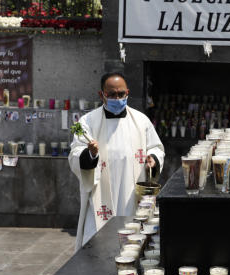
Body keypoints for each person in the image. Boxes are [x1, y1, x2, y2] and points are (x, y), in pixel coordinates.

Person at [69, 73, 164, 250]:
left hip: (132, 197)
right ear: (101, 95)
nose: (117, 98)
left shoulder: (141, 120)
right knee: (97, 250)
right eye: (111, 94)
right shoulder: (87, 122)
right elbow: (75, 153)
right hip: (101, 199)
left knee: (132, 246)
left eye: (121, 94)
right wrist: (90, 154)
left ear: (127, 93)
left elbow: (156, 148)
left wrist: (153, 159)